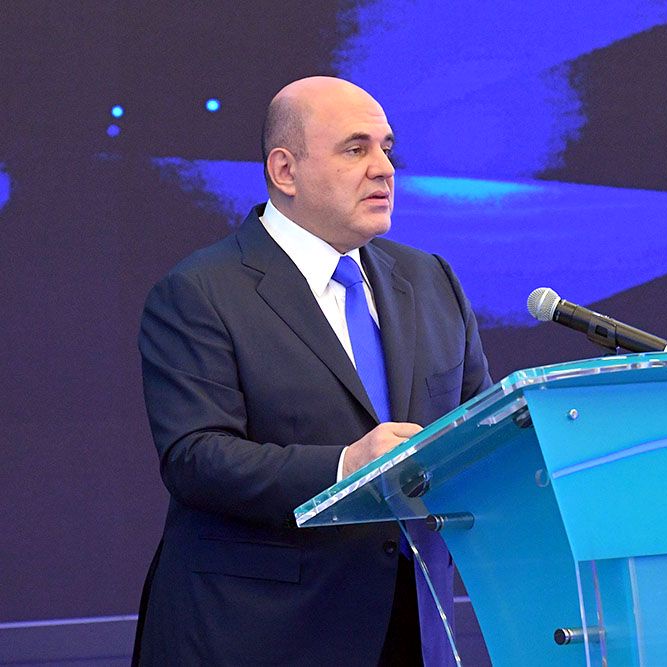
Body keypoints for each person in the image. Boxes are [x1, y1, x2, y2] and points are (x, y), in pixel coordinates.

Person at [133, 76, 491, 665]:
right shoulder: (200, 292)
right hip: (264, 635)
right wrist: (346, 466)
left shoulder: (431, 279)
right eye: (355, 149)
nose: (384, 169)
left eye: (387, 149)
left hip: (415, 626)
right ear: (285, 171)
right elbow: (195, 458)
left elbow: (480, 431)